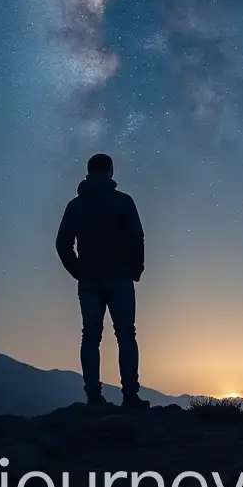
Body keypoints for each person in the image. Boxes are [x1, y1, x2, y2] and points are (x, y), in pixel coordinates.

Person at [55, 153, 149, 409]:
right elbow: (136, 237)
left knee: (90, 337)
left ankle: (93, 397)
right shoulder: (123, 202)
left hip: (89, 280)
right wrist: (136, 268)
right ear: (109, 172)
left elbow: (62, 244)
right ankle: (130, 395)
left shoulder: (75, 206)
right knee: (126, 335)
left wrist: (78, 270)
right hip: (120, 277)